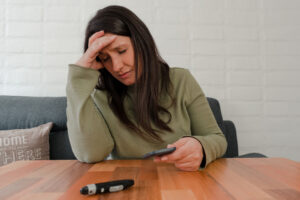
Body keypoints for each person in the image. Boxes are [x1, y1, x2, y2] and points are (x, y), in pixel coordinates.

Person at [66, 5, 227, 171]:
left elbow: (217, 139)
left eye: (121, 51)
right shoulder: (100, 95)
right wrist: (78, 79)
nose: (117, 66)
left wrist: (201, 147)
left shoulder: (181, 80)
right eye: (105, 58)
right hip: (129, 187)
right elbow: (90, 154)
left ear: (141, 42)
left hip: (180, 185)